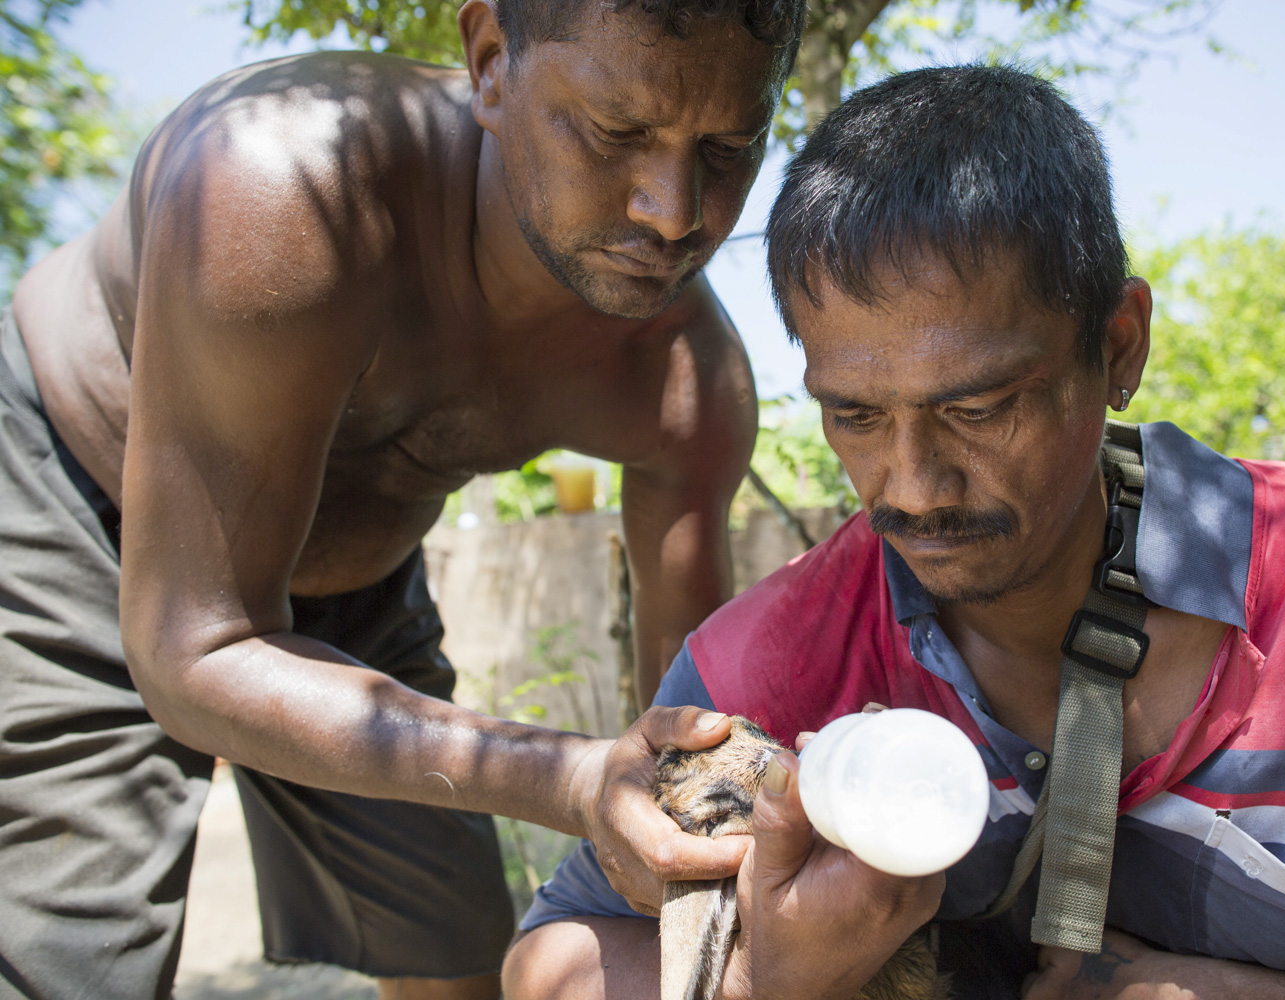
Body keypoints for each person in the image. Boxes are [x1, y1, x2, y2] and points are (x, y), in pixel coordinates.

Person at [502, 65, 1285, 1000]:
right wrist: (767, 977)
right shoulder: (766, 670)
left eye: (979, 408)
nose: (914, 486)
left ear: (1119, 347)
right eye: (854, 414)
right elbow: (545, 965)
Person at [0, 0, 806, 996]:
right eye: (617, 131)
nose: (674, 210)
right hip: (80, 504)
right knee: (74, 954)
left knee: (458, 948)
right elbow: (192, 648)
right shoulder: (282, 183)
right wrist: (567, 775)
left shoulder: (684, 380)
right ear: (492, 60)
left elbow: (685, 737)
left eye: (728, 147)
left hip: (357, 588)